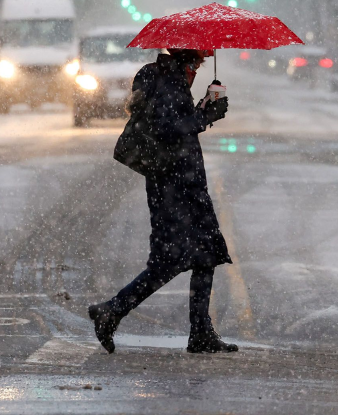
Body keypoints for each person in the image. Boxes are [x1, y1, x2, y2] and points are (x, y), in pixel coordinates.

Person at [89, 48, 236, 354]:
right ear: (187, 58)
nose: (200, 66)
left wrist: (201, 109)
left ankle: (199, 332)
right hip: (174, 184)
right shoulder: (167, 81)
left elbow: (172, 122)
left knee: (203, 254)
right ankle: (112, 310)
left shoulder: (164, 77)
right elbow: (169, 129)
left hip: (181, 182)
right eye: (198, 61)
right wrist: (205, 115)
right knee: (172, 259)